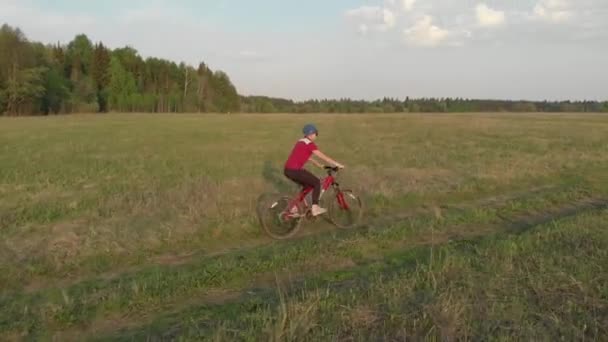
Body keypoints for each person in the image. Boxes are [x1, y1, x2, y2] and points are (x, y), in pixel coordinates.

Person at [284, 124, 345, 216]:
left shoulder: (301, 142)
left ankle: (294, 207)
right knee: (316, 182)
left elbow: (303, 155)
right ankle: (315, 208)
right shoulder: (310, 144)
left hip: (288, 170)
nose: (316, 135)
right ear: (312, 134)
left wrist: (317, 164)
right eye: (316, 133)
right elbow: (321, 155)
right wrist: (336, 164)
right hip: (295, 170)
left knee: (309, 186)